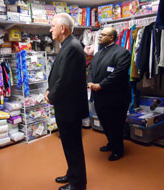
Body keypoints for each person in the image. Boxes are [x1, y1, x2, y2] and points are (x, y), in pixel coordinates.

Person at [45, 13, 89, 190]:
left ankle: (78, 184)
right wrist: (50, 90)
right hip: (66, 106)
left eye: (52, 26)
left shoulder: (72, 47)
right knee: (68, 144)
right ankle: (72, 174)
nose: (50, 29)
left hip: (70, 108)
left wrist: (51, 96)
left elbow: (65, 80)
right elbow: (60, 76)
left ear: (62, 28)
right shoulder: (68, 45)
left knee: (73, 146)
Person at [87, 27, 131, 161]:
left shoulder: (122, 53)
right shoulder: (98, 53)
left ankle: (118, 150)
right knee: (105, 123)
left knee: (116, 124)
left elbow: (118, 73)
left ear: (112, 38)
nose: (99, 37)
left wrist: (101, 85)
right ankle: (111, 143)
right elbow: (91, 70)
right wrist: (90, 82)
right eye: (99, 35)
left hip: (116, 97)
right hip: (99, 96)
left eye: (103, 35)